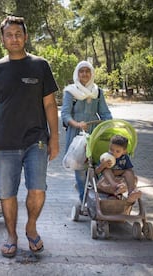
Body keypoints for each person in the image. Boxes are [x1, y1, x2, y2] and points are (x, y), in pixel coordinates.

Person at [0, 16, 59, 258]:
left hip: (36, 139)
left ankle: (31, 226)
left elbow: (49, 104)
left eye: (18, 34)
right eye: (9, 34)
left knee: (37, 189)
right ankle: (11, 235)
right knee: (7, 192)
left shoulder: (40, 65)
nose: (14, 38)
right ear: (3, 39)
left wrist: (54, 138)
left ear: (26, 37)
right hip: (5, 142)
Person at [61, 60, 112, 202]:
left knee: (98, 164)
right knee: (81, 166)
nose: (84, 74)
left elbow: (105, 113)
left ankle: (99, 196)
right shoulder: (70, 91)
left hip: (95, 132)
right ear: (77, 73)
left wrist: (110, 127)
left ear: (92, 73)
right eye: (81, 71)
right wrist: (77, 124)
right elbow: (65, 114)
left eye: (87, 71)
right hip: (77, 133)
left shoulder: (98, 92)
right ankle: (84, 199)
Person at [95, 135, 142, 203]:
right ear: (109, 147)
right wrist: (102, 165)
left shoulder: (124, 158)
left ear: (124, 151)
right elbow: (96, 172)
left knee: (129, 172)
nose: (113, 153)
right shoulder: (105, 157)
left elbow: (128, 171)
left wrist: (119, 172)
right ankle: (115, 186)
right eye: (111, 149)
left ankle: (131, 192)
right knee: (106, 169)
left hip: (120, 183)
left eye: (117, 151)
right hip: (106, 182)